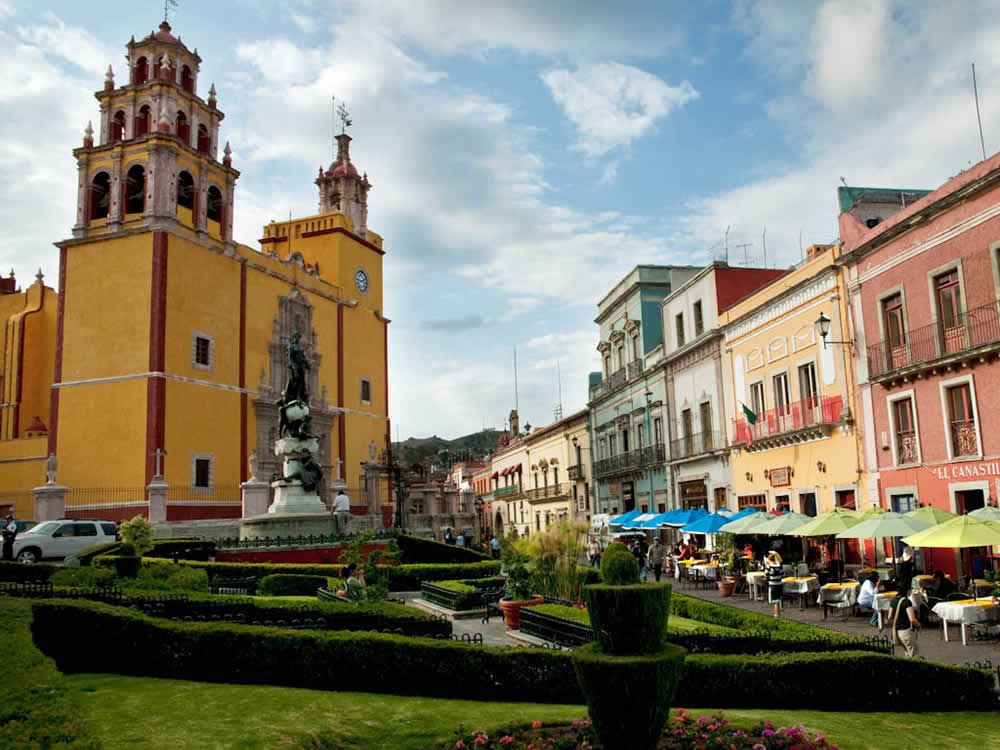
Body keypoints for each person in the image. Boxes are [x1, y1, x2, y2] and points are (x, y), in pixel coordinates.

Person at [889, 575, 921, 657]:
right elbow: (912, 619)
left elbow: (889, 616)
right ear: (907, 590)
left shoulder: (893, 600)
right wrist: (918, 625)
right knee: (913, 654)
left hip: (897, 632)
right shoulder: (906, 602)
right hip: (906, 631)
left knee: (907, 653)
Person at [765, 551, 784, 618]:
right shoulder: (779, 566)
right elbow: (782, 574)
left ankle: (777, 615)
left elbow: (766, 575)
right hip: (779, 584)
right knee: (778, 600)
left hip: (773, 585)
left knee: (775, 601)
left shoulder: (769, 567)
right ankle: (778, 613)